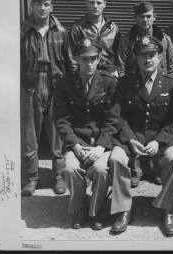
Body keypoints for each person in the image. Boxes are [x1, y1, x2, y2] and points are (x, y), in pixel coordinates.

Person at [53, 38, 131, 231]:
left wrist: (101, 146)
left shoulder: (109, 82)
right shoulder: (65, 84)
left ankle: (95, 211)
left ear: (98, 59)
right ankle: (80, 208)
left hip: (100, 143)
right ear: (77, 59)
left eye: (93, 59)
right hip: (77, 142)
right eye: (85, 59)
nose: (89, 63)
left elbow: (114, 119)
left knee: (101, 169)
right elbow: (61, 120)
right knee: (71, 168)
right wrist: (76, 145)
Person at [113, 36, 173, 237]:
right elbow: (117, 116)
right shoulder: (124, 83)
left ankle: (166, 209)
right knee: (116, 159)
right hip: (131, 136)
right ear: (136, 58)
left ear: (160, 57)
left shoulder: (172, 84)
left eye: (152, 55)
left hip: (160, 137)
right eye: (143, 56)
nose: (148, 60)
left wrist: (159, 141)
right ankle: (123, 210)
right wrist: (129, 139)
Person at [21, 0, 75, 196]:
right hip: (31, 85)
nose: (42, 8)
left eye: (46, 4)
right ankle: (32, 178)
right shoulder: (23, 31)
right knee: (30, 135)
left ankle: (59, 177)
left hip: (56, 85)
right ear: (32, 6)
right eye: (38, 4)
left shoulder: (61, 31)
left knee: (57, 134)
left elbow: (70, 62)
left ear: (51, 6)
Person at [117, 1, 173, 187]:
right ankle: (136, 168)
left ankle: (156, 168)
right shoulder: (127, 40)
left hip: (159, 87)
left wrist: (165, 87)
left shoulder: (164, 38)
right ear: (136, 18)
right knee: (137, 126)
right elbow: (120, 66)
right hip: (134, 88)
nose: (145, 20)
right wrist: (127, 87)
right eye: (142, 16)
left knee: (156, 125)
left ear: (154, 17)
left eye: (149, 16)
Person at [70, 0, 121, 77]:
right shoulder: (77, 28)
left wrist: (118, 72)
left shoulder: (113, 28)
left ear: (105, 4)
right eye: (92, 2)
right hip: (86, 73)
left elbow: (119, 54)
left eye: (99, 3)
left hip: (109, 75)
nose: (95, 6)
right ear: (86, 3)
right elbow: (72, 57)